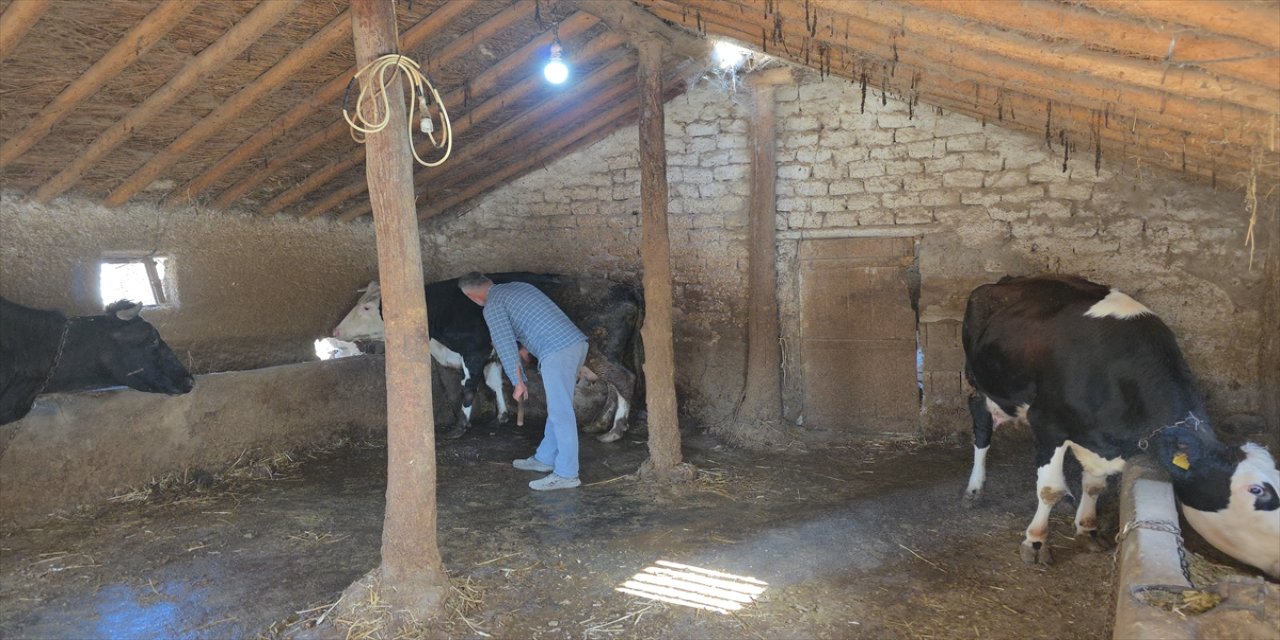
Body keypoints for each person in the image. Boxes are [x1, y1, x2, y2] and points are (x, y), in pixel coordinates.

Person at [459, 272, 589, 491]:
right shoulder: (519, 287)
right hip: (575, 343)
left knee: (561, 412)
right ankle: (545, 458)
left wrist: (518, 382)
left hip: (556, 352)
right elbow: (539, 318)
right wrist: (528, 346)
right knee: (559, 408)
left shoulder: (492, 305)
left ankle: (567, 473)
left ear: (473, 297)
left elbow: (505, 346)